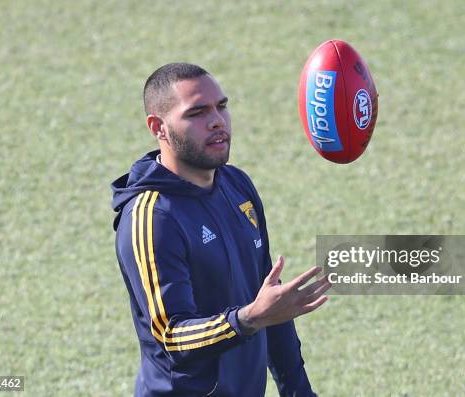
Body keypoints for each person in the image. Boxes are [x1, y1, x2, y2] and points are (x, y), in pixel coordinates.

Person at [111, 63, 331, 396]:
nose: (217, 120)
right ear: (159, 127)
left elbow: (270, 300)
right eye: (197, 112)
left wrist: (299, 391)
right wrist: (249, 318)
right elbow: (172, 335)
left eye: (221, 106)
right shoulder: (153, 218)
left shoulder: (237, 185)